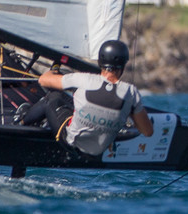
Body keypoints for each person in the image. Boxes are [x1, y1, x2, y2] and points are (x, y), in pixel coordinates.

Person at [18, 39, 153, 156]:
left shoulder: (84, 80)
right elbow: (147, 131)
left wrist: (55, 68)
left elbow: (43, 80)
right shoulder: (131, 93)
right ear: (123, 65)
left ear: (100, 61)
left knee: (52, 97)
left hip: (70, 143)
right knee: (71, 101)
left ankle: (22, 121)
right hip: (98, 152)